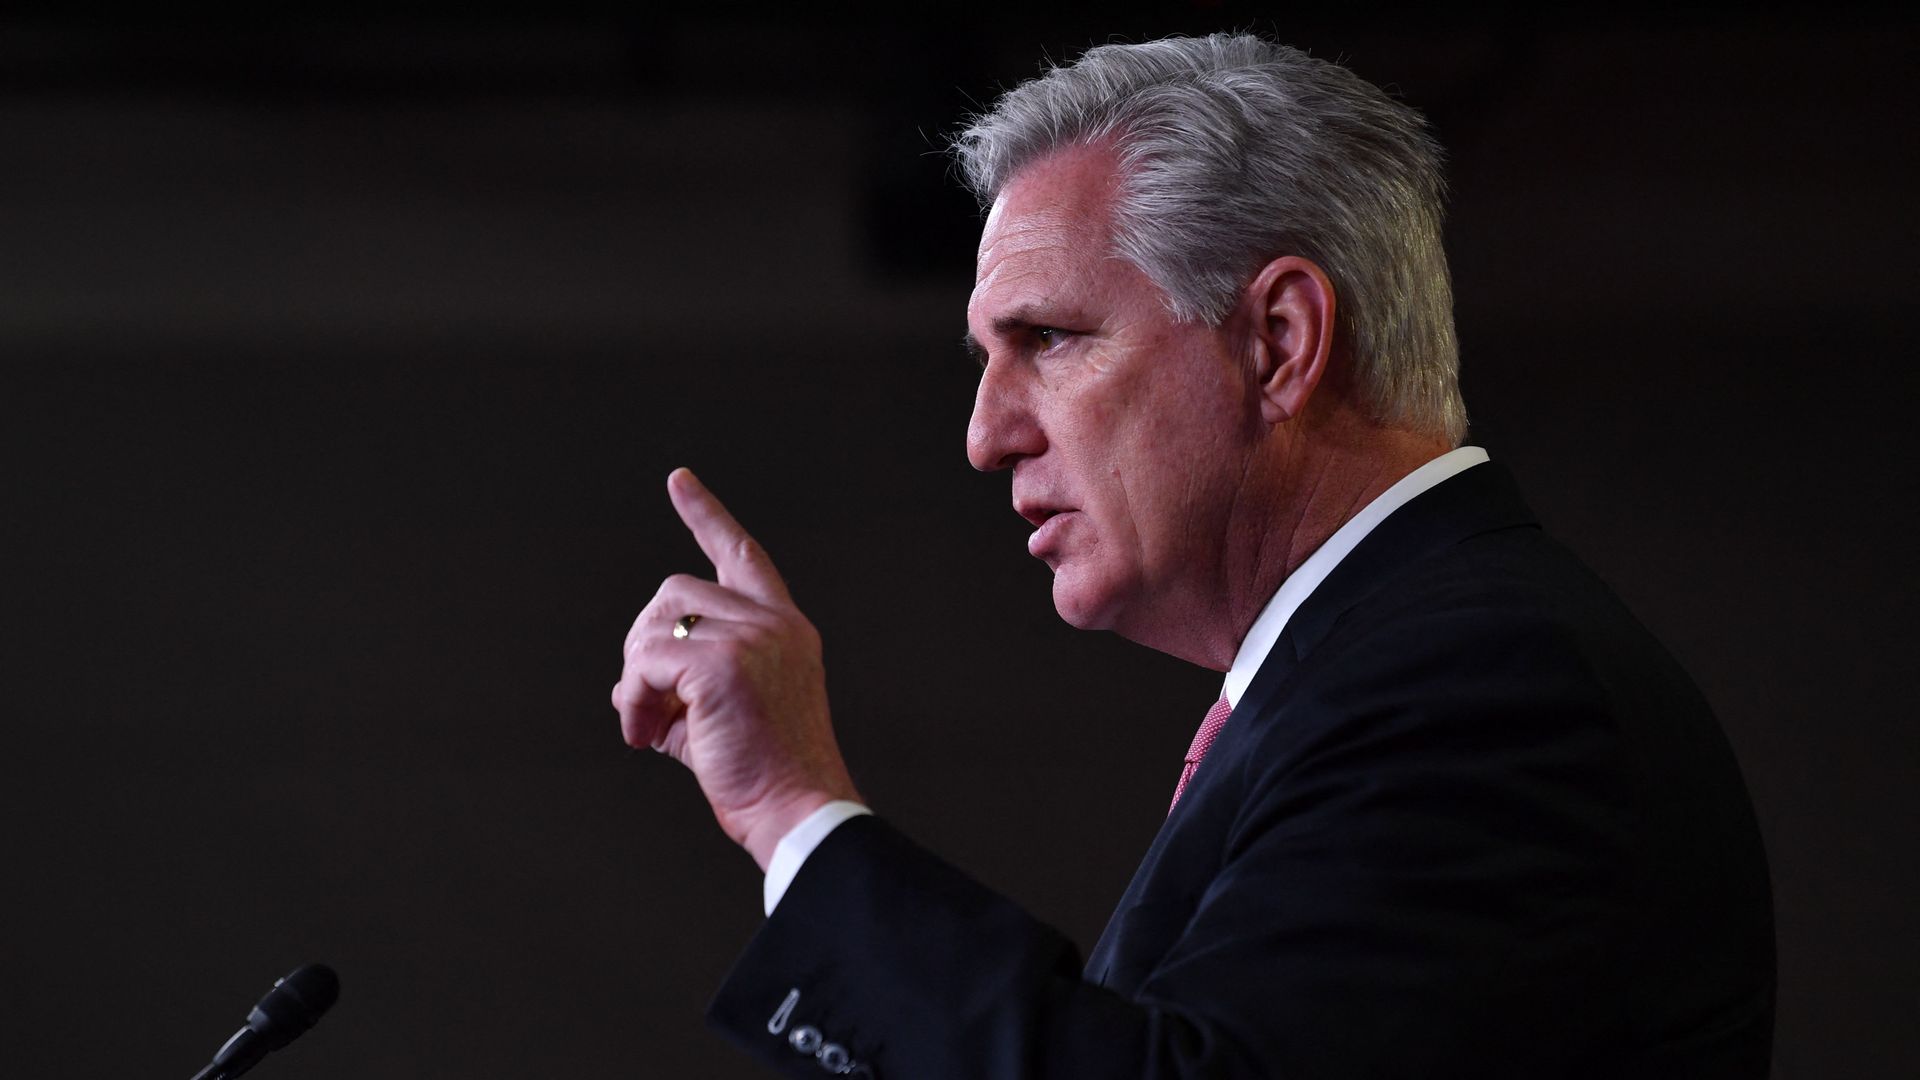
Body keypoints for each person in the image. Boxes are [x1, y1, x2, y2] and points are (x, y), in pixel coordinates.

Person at [611, 33, 1774, 1078]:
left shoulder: (1482, 688)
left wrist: (791, 807)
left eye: (1048, 338)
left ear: (1278, 341)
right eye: (985, 358)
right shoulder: (1389, 672)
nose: (983, 435)